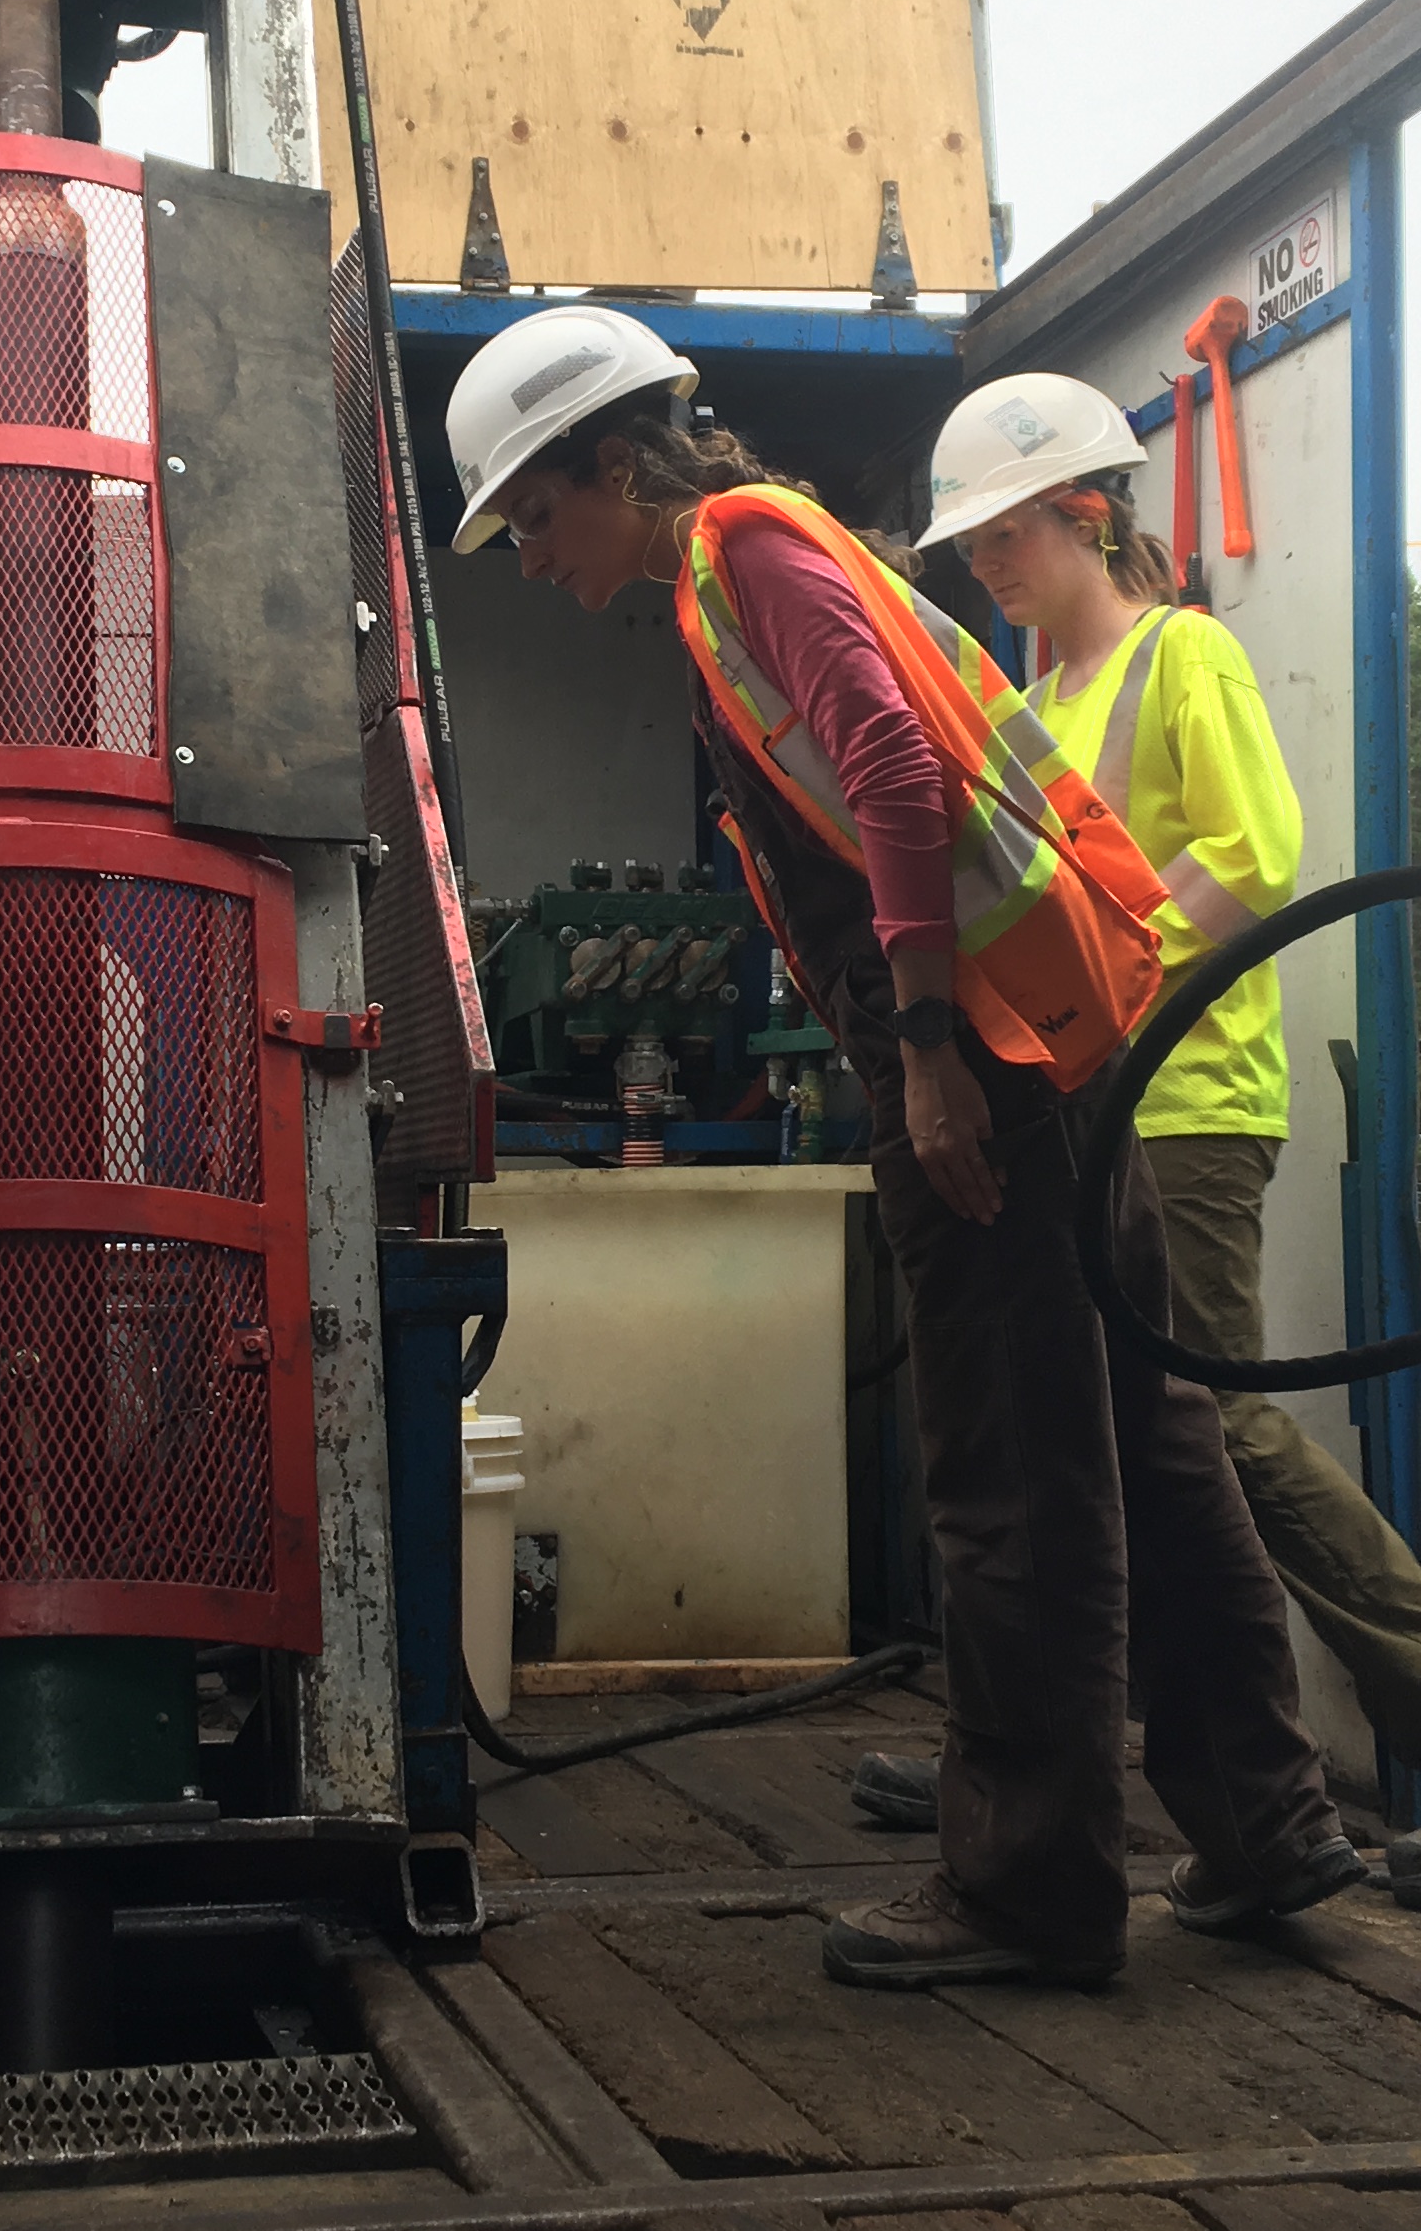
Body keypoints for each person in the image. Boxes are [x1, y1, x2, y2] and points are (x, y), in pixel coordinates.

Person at [443, 307, 1357, 1988]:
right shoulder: (773, 553)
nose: (527, 560)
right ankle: (1266, 1818)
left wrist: (926, 1045)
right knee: (1152, 1437)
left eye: (535, 517)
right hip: (1046, 1039)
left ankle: (1027, 1884)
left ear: (613, 463)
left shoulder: (743, 554)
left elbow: (885, 765)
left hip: (986, 1056)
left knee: (1013, 1474)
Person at [849, 373, 1421, 1903]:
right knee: (1128, 1445)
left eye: (1005, 532)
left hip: (1183, 1106)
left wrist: (1103, 999)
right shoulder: (1040, 703)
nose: (984, 563)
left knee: (1219, 1426)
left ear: (1085, 512)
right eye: (972, 543)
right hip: (1093, 1109)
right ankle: (1141, 1784)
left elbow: (1253, 856)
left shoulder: (1179, 656)